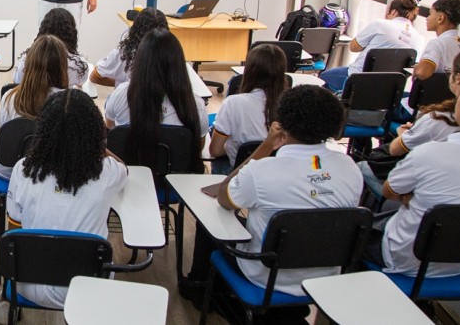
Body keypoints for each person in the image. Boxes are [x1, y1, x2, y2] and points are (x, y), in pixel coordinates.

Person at [187, 86, 361, 319]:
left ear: (281, 122)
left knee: (209, 223)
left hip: (266, 273)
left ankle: (201, 292)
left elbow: (224, 197)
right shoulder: (349, 167)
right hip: (325, 274)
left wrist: (266, 146)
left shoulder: (263, 171)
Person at [3, 89, 127, 312]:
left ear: (43, 131)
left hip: (28, 283)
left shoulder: (23, 169)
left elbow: (14, 230)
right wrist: (97, 147)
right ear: (95, 134)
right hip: (90, 288)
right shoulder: (107, 172)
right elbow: (124, 169)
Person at [366, 94, 460, 278]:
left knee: (353, 238)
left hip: (406, 259)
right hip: (455, 267)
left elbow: (389, 190)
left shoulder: (431, 152)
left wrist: (412, 197)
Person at [358, 52, 460, 199]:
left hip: (419, 199)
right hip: (442, 203)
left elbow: (391, 187)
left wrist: (405, 135)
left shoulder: (436, 123)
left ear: (457, 79)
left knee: (361, 168)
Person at [104, 29, 208, 173]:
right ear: (179, 65)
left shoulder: (121, 94)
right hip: (176, 184)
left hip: (131, 178)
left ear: (141, 62)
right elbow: (197, 146)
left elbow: (111, 131)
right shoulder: (195, 104)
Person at [0, 35, 68, 179]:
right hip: (50, 174)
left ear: (29, 65)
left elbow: (6, 133)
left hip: (9, 170)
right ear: (62, 67)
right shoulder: (69, 101)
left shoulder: (9, 97)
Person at [208, 44, 288, 174]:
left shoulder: (233, 103)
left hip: (239, 174)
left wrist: (232, 146)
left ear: (249, 70)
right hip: (276, 175)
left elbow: (215, 151)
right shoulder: (290, 104)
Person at [320, 0, 425, 92]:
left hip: (356, 79)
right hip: (388, 89)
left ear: (393, 12)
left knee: (323, 77)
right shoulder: (419, 40)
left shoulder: (379, 24)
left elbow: (353, 48)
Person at [89, 7, 168, 87]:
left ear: (135, 28)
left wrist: (121, 85)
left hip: (128, 97)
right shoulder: (171, 55)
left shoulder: (123, 54)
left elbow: (94, 77)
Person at [13, 8, 87, 88]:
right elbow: (81, 82)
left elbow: (17, 81)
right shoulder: (78, 63)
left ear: (43, 29)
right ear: (72, 32)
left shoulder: (27, 59)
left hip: (33, 100)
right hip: (63, 100)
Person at [413, 0, 460, 81]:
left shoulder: (437, 44)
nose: (427, 18)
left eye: (430, 13)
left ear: (440, 18)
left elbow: (422, 72)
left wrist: (417, 68)